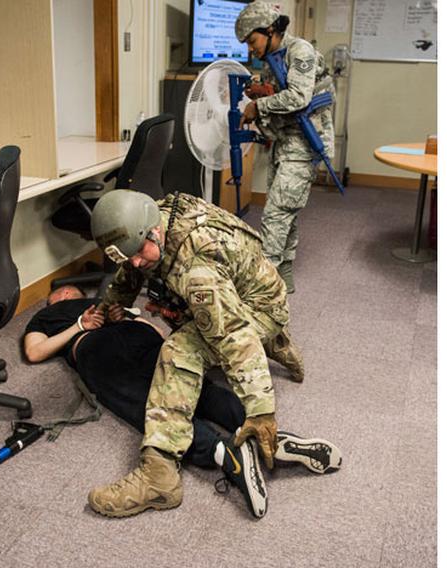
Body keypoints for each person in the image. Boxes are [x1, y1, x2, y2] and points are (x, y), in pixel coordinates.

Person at [24, 284, 341, 518]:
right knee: (178, 394)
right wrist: (80, 325)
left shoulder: (102, 301)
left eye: (70, 291)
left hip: (123, 340)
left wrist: (125, 318)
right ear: (53, 301)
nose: (66, 293)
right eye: (60, 293)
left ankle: (225, 454)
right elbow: (35, 351)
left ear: (79, 294)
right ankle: (264, 436)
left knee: (161, 404)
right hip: (92, 344)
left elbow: (150, 327)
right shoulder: (44, 317)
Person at [84, 189, 308, 518]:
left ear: (155, 232)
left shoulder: (196, 269)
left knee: (177, 351)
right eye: (126, 254)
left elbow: (233, 335)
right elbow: (132, 268)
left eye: (137, 251)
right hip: (248, 287)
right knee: (177, 307)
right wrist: (111, 304)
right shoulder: (150, 217)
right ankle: (277, 343)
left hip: (253, 309)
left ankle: (159, 478)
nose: (134, 260)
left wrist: (261, 411)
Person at [235, 1, 336, 293]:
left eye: (252, 41)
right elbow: (280, 98)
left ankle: (262, 285)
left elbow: (299, 97)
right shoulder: (273, 61)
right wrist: (262, 92)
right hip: (285, 142)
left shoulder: (299, 51)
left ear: (269, 30)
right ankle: (284, 275)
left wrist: (259, 105)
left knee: (276, 214)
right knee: (286, 211)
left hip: (305, 144)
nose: (251, 50)